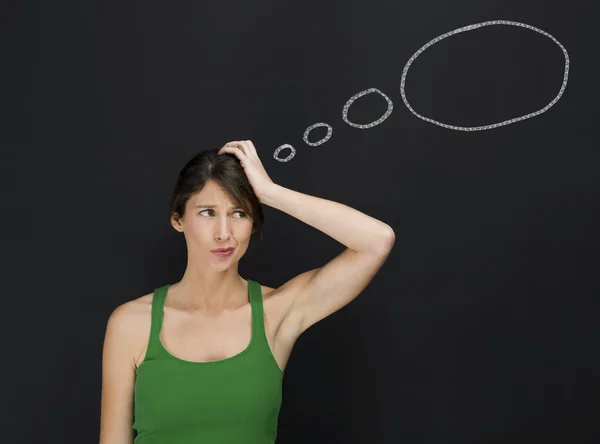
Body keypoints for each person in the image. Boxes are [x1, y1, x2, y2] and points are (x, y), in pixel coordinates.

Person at [99, 140, 395, 444]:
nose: (224, 233)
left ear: (253, 223)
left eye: (239, 213)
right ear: (178, 220)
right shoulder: (131, 323)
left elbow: (376, 241)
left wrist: (270, 193)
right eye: (207, 212)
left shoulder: (276, 312)